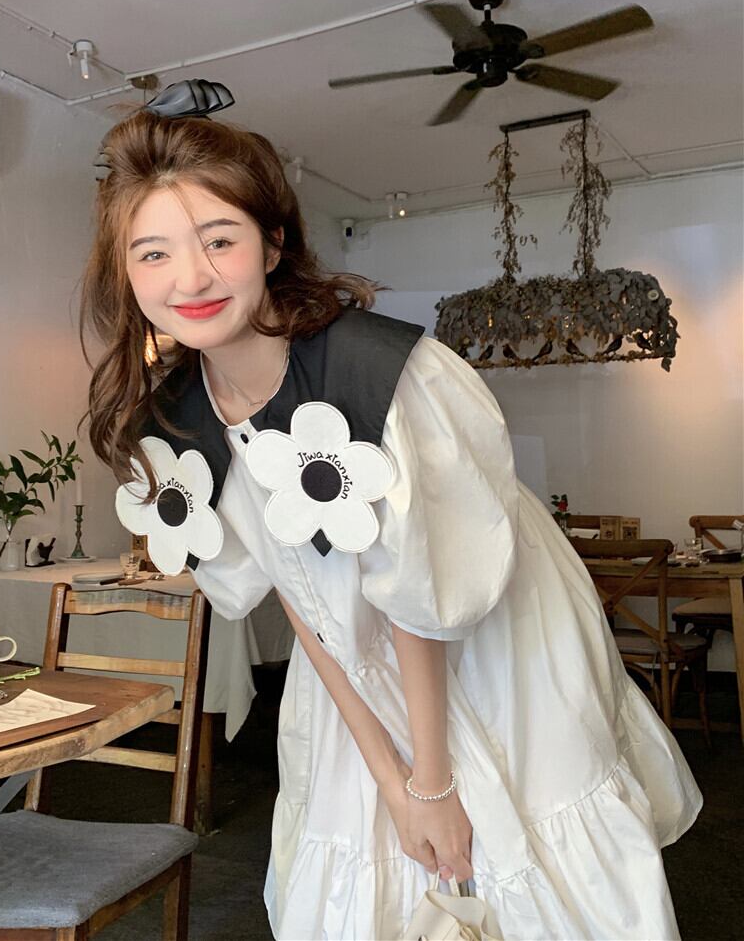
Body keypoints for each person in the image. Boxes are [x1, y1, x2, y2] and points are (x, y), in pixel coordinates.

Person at [81, 81, 701, 941]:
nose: (189, 278)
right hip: (350, 660)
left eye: (218, 239)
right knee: (373, 873)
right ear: (125, 272)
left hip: (480, 643)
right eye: (152, 254)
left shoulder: (383, 375)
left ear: (272, 243)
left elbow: (425, 597)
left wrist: (432, 781)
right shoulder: (183, 413)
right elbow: (300, 593)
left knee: (515, 862)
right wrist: (385, 768)